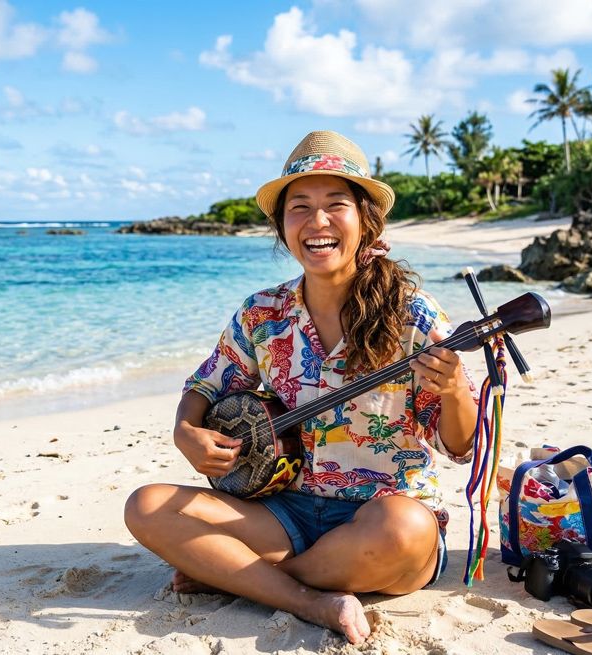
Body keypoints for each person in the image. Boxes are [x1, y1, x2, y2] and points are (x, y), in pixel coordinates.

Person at [123, 131, 480, 645]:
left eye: (336, 205)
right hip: (282, 509)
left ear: (365, 221)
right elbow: (208, 382)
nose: (317, 222)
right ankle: (308, 597)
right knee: (147, 506)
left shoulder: (413, 315)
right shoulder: (263, 312)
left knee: (407, 531)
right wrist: (186, 432)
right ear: (282, 225)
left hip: (379, 517)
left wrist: (453, 390)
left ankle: (240, 577)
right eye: (300, 207)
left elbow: (460, 445)